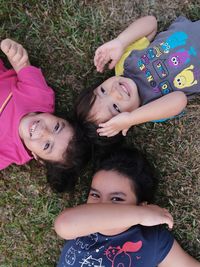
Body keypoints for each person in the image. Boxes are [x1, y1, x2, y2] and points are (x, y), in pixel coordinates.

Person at [54, 148, 199, 267]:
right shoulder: (81, 224)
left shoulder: (152, 239)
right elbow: (64, 223)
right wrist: (142, 215)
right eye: (95, 195)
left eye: (116, 199)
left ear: (141, 205)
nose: (102, 206)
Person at [76, 16, 200, 137]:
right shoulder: (150, 109)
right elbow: (180, 99)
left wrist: (121, 42)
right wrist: (132, 118)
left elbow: (151, 23)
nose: (115, 92)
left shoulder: (124, 64)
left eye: (103, 91)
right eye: (115, 107)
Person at [0, 39, 90, 191]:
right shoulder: (40, 98)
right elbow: (21, 64)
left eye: (47, 145)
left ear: (37, 157)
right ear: (59, 117)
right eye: (56, 127)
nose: (44, 131)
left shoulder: (10, 153)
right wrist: (14, 53)